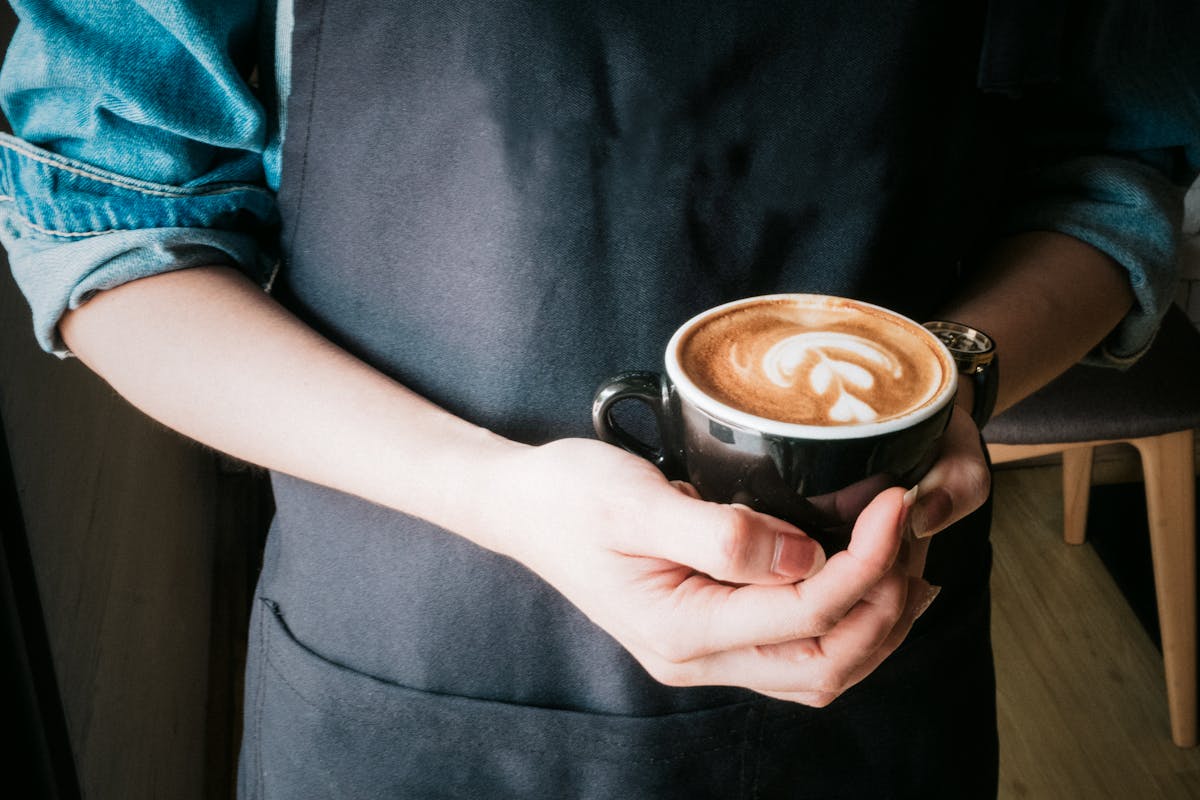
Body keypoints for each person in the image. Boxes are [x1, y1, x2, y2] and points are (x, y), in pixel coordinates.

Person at [1, 1, 1197, 797]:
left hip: (865, 666)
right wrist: (493, 490)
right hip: (402, 670)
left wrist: (955, 383)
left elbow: (1111, 163)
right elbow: (118, 228)